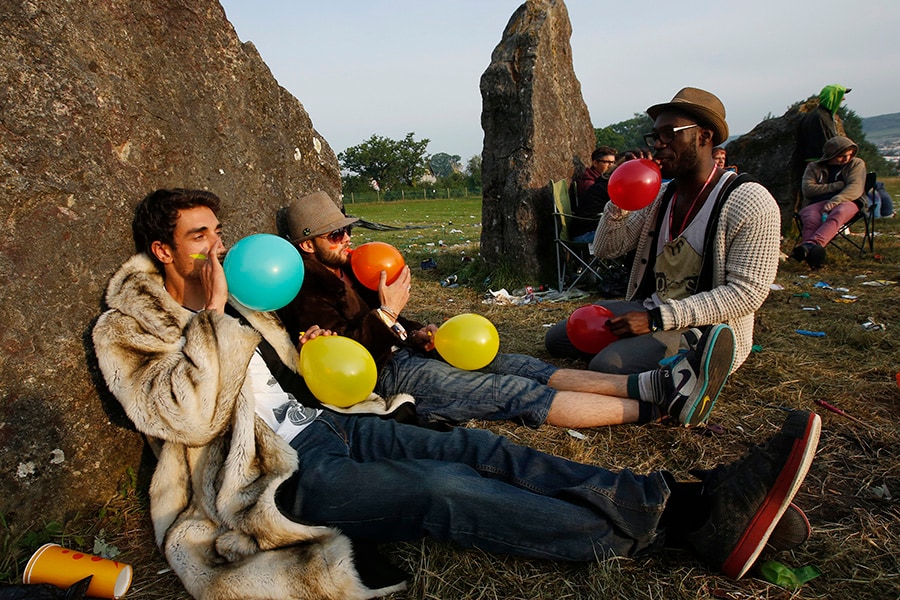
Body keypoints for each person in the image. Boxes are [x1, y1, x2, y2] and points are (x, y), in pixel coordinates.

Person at [93, 188, 820, 599]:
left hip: (330, 421)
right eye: (199, 237)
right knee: (440, 487)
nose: (218, 248)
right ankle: (666, 529)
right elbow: (182, 416)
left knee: (477, 444)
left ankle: (682, 495)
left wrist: (305, 351)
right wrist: (215, 322)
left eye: (219, 233)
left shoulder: (249, 297)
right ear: (163, 250)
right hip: (276, 474)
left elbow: (288, 363)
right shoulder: (133, 325)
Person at [279, 191, 732, 429]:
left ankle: (652, 383)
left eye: (346, 230)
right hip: (388, 375)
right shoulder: (302, 287)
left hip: (407, 352)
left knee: (520, 364)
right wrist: (391, 315)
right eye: (335, 235)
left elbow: (387, 321)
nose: (348, 239)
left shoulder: (352, 268)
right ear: (307, 244)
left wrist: (417, 330)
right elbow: (347, 356)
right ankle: (662, 409)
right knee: (513, 393)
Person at [545, 87, 781, 376]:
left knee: (606, 365)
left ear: (704, 136)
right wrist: (619, 197)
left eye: (670, 134)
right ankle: (638, 347)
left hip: (703, 327)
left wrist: (656, 319)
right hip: (650, 307)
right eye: (655, 136)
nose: (658, 144)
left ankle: (681, 365)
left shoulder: (749, 201)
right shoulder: (662, 196)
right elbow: (607, 248)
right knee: (558, 338)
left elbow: (746, 294)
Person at [793, 136, 868, 268]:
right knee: (810, 218)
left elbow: (855, 188)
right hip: (816, 203)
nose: (846, 159)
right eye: (841, 156)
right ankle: (813, 256)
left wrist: (836, 200)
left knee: (839, 212)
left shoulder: (856, 164)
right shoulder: (814, 167)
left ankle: (809, 246)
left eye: (849, 155)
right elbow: (808, 190)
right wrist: (836, 185)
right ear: (830, 156)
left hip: (849, 201)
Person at [797, 84, 850, 163]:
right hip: (821, 161)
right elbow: (828, 143)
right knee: (857, 163)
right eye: (840, 96)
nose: (843, 98)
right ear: (833, 98)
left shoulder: (821, 115)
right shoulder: (821, 117)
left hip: (821, 159)